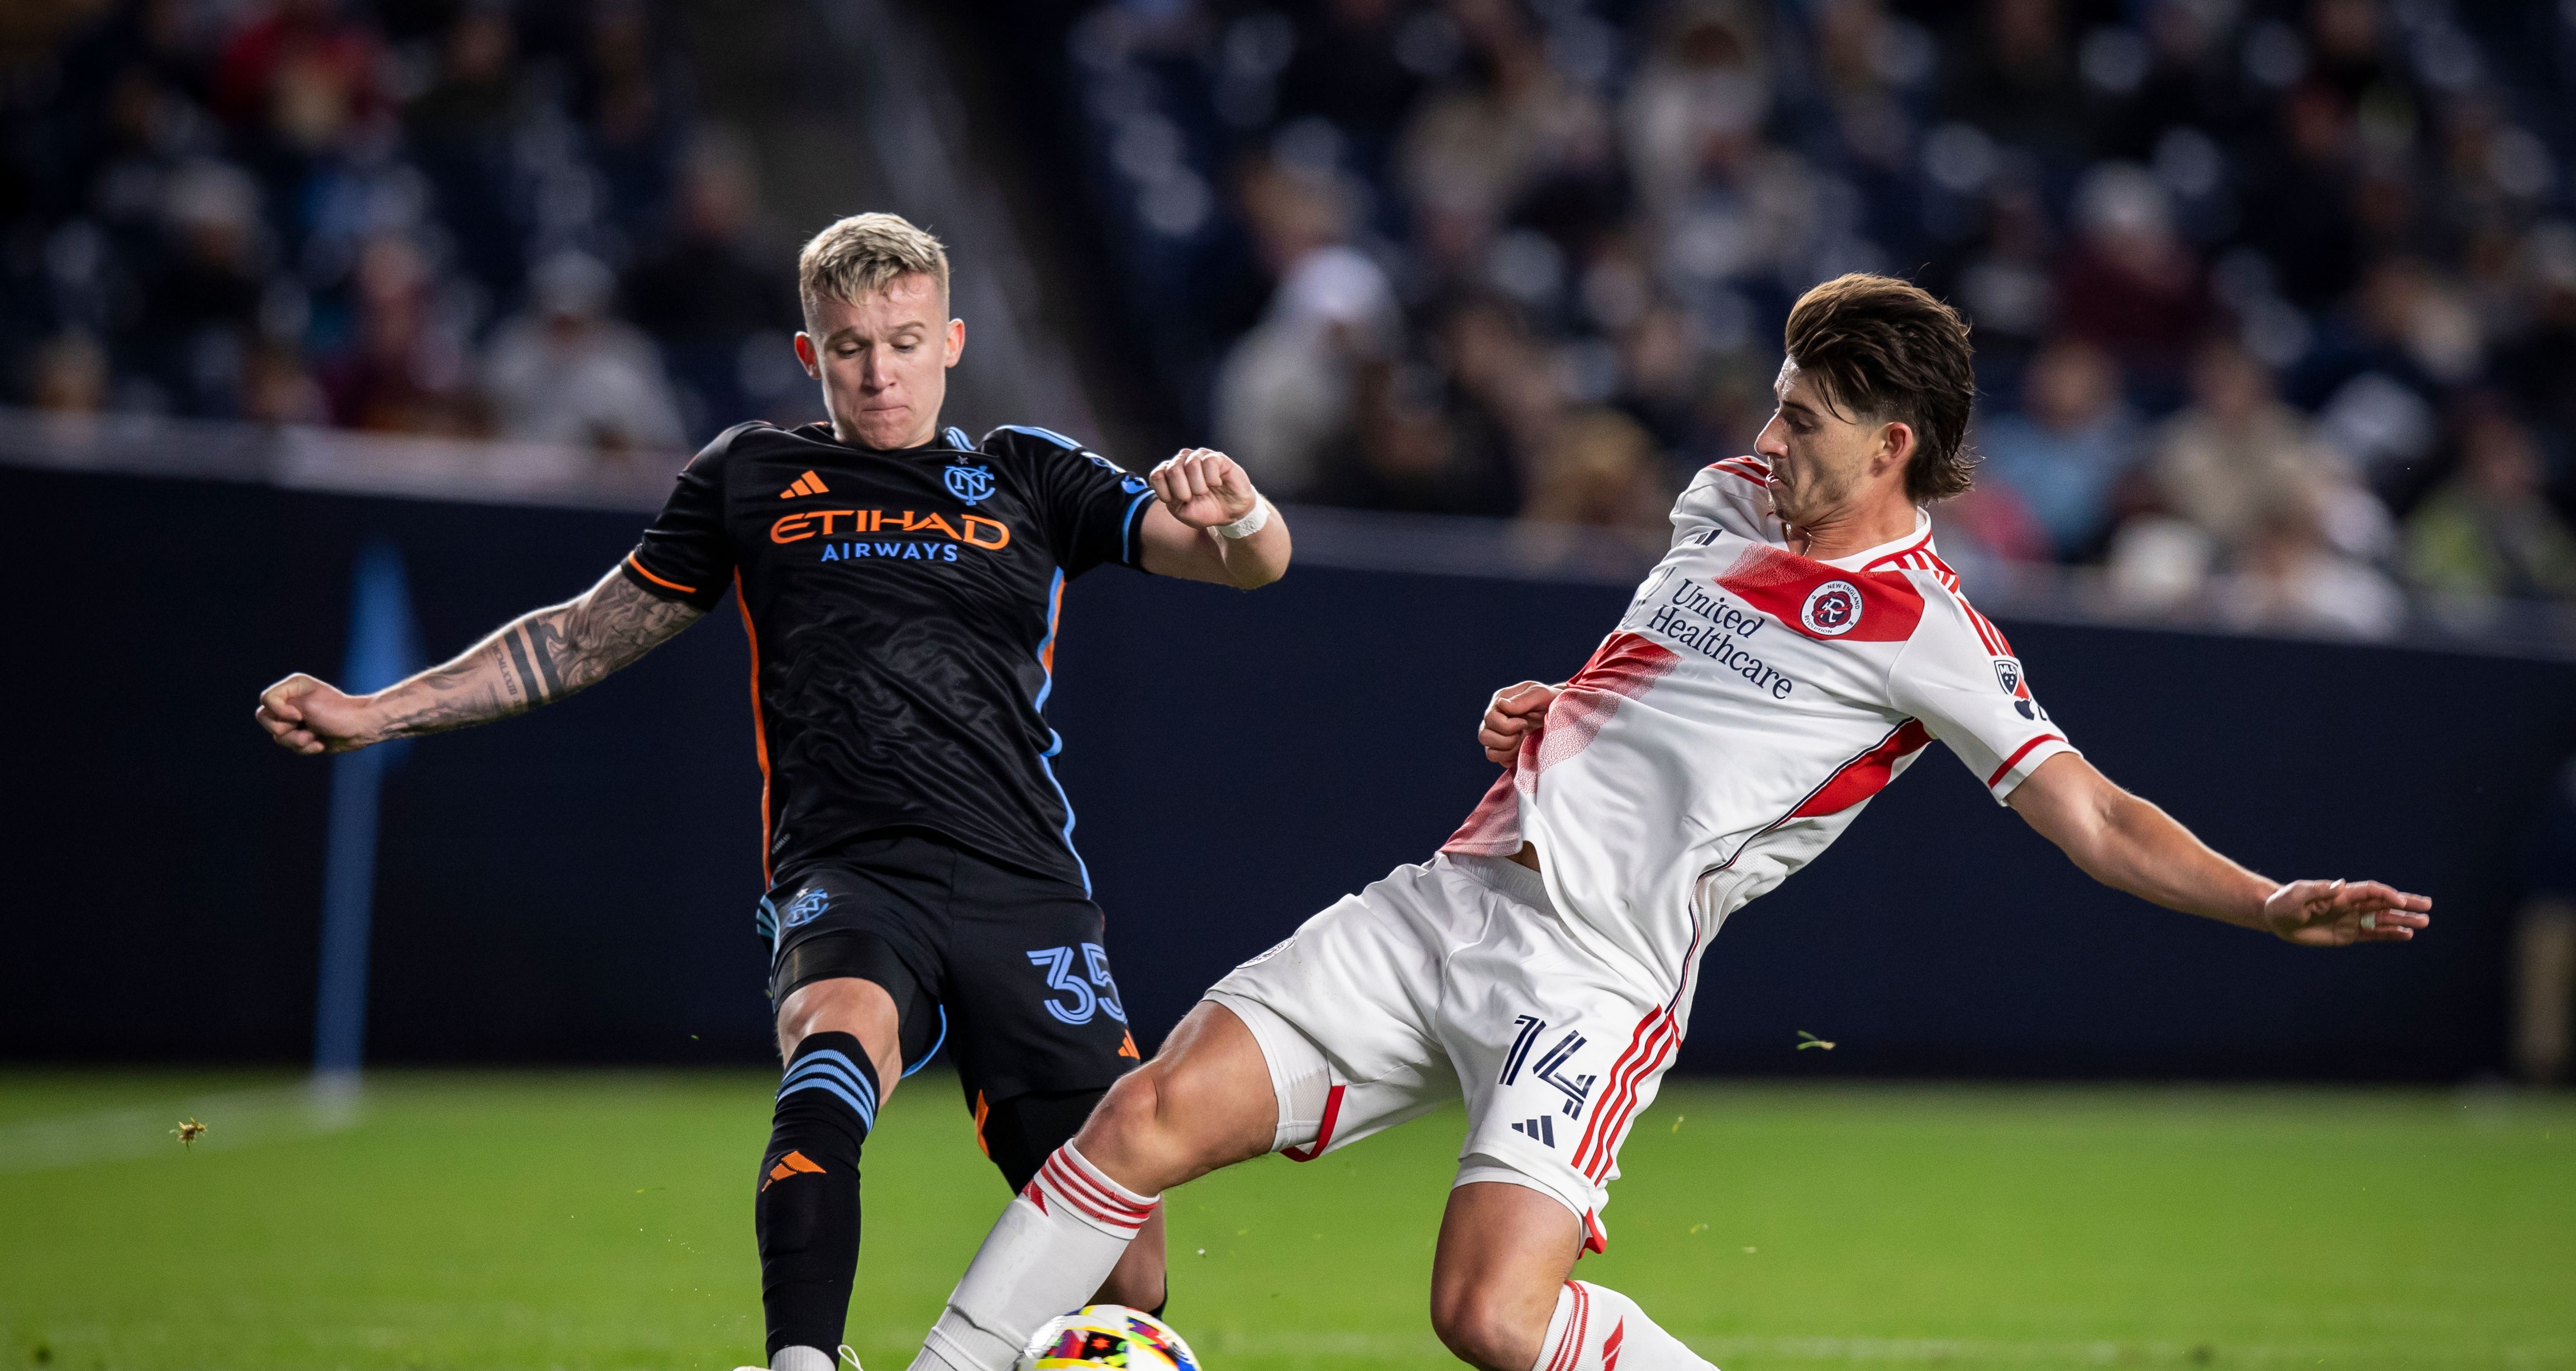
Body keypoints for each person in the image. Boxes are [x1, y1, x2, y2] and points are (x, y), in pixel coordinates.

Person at [901, 274, 2427, 1371]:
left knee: (1487, 1320)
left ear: (1892, 443)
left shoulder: (1930, 632)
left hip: (1592, 979)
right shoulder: (1720, 504)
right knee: (1136, 1120)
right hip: (1451, 898)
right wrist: (1539, 706)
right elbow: (1654, 685)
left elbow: (2090, 812)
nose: (1769, 432)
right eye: (1775, 398)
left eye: (1806, 415)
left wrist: (2264, 897)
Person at [252, 213, 1293, 1371]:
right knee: (831, 1050)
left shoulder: (1027, 472)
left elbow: (1248, 564)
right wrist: (377, 710)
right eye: (848, 345)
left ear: (949, 340)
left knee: (1126, 1278)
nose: (878, 369)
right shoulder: (751, 474)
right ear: (811, 354)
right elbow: (582, 637)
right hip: (849, 868)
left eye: (903, 340)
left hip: (1023, 884)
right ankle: (800, 1359)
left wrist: (1238, 512)